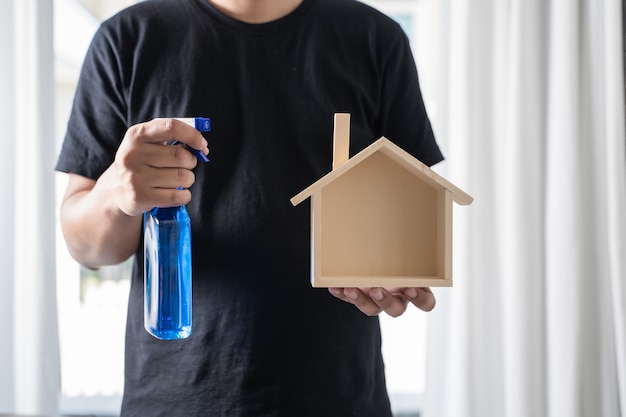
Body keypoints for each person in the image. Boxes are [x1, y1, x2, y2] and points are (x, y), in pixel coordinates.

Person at [56, 0, 443, 415]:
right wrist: (116, 194)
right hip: (176, 399)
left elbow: (408, 207)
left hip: (340, 398)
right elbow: (86, 248)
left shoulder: (377, 40)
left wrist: (394, 271)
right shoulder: (125, 40)